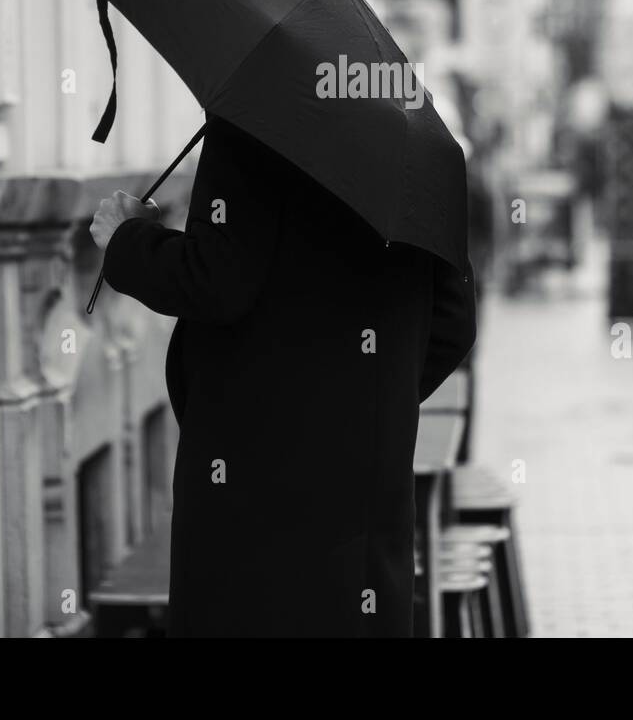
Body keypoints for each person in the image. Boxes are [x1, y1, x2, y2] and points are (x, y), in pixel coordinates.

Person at [89, 115, 477, 637]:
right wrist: (363, 403)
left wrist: (127, 239)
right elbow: (454, 323)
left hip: (253, 499)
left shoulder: (253, 127)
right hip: (368, 499)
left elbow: (217, 279)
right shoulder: (419, 144)